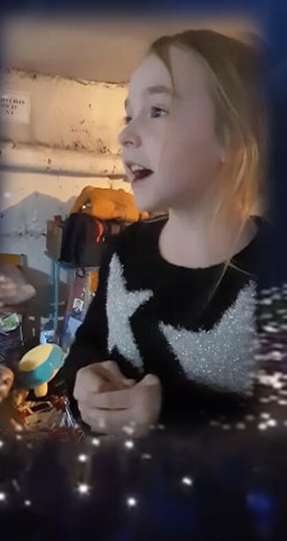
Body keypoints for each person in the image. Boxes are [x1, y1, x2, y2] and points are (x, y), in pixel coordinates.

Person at [63, 29, 265, 436]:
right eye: (128, 114)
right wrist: (83, 382)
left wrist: (170, 416)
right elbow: (89, 344)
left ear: (233, 137)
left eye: (157, 110)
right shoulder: (123, 253)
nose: (125, 135)